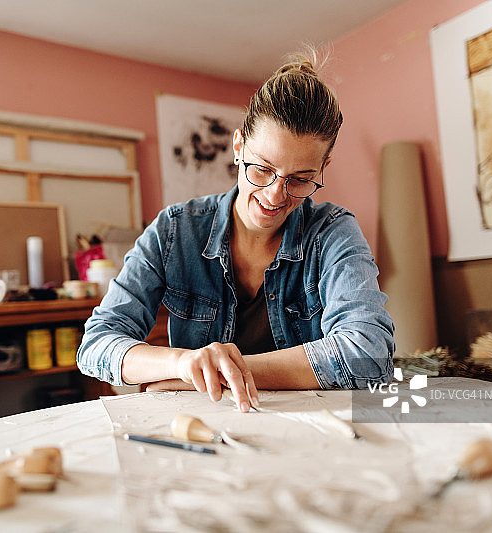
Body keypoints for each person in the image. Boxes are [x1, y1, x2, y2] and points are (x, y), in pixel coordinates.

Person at [77, 49, 395, 412]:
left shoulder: (334, 231)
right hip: (206, 427)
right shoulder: (174, 231)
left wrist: (218, 373)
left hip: (308, 425)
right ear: (239, 146)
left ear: (323, 167)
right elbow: (96, 345)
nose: (275, 196)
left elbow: (369, 354)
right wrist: (182, 363)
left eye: (300, 179)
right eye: (262, 169)